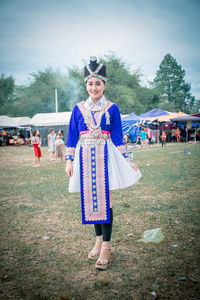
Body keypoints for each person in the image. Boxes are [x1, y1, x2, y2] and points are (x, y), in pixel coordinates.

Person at [65, 57, 142, 270]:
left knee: (104, 200)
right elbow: (72, 135)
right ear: (86, 85)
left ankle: (106, 246)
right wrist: (68, 160)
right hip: (84, 157)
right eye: (90, 83)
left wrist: (127, 160)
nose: (94, 87)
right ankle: (98, 240)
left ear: (104, 85)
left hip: (105, 158)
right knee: (90, 200)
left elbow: (117, 136)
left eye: (98, 83)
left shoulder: (113, 108)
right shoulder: (78, 108)